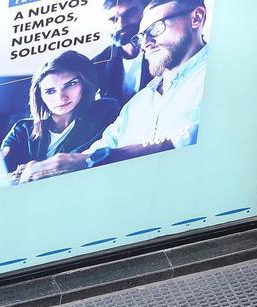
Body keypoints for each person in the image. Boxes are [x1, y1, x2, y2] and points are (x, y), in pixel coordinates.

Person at [16, 0, 209, 182]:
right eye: (140, 37)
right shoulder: (136, 103)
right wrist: (46, 168)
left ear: (196, 18)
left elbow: (189, 139)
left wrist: (91, 161)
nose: (146, 43)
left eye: (155, 29)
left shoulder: (221, 75)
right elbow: (103, 145)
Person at [0, 51, 120, 179]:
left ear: (85, 84)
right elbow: (2, 175)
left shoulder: (104, 112)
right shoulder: (22, 130)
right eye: (50, 91)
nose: (61, 97)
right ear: (40, 96)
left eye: (71, 84)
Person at [91, 0, 153, 105]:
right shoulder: (96, 64)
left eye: (129, 13)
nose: (120, 24)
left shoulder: (164, 49)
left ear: (147, 11)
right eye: (113, 19)